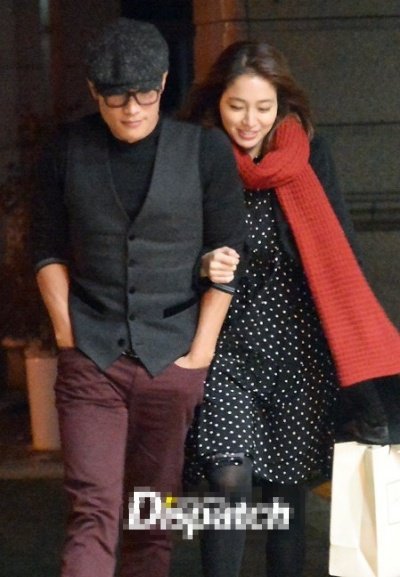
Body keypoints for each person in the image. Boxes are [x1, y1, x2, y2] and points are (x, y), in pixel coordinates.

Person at [31, 18, 246, 577]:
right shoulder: (64, 150)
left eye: (145, 94)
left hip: (172, 358)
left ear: (165, 81)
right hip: (91, 357)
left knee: (151, 523)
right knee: (92, 511)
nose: (132, 109)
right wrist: (68, 337)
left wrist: (199, 355)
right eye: (116, 97)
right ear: (93, 91)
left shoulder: (204, 151)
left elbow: (227, 257)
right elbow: (46, 249)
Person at [180, 41, 400, 577]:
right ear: (216, 101)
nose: (249, 121)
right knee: (228, 478)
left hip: (298, 351)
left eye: (264, 107)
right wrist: (201, 265)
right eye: (237, 106)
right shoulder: (195, 155)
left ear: (282, 104)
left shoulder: (310, 154)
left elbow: (341, 250)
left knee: (285, 498)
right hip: (225, 348)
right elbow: (170, 243)